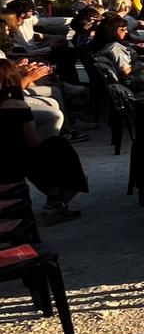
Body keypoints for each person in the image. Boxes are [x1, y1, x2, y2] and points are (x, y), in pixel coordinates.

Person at [0, 60, 88, 222]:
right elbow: (33, 142)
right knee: (58, 147)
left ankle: (55, 199)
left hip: (7, 159)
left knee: (55, 147)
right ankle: (56, 200)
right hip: (14, 162)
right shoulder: (16, 106)